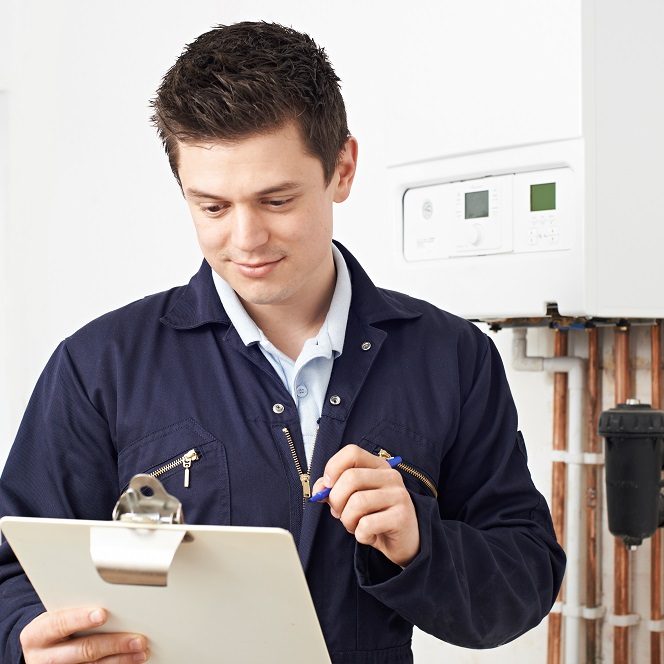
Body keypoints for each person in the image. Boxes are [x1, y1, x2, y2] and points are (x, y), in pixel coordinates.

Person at [0, 21, 565, 664]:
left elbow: (524, 583)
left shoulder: (453, 358)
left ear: (342, 169)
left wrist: (419, 544)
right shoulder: (98, 366)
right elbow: (11, 570)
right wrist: (26, 640)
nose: (245, 239)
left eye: (276, 200)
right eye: (212, 207)